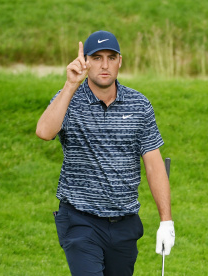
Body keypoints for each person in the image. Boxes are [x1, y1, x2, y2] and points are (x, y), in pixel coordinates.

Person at [36, 30, 175, 276]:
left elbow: (154, 165)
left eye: (111, 57)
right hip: (81, 221)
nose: (104, 65)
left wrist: (166, 221)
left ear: (120, 61)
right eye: (97, 57)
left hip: (125, 224)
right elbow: (44, 132)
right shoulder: (69, 100)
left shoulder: (139, 105)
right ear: (86, 61)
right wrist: (70, 85)